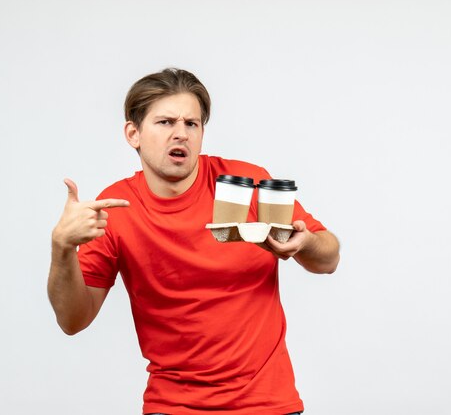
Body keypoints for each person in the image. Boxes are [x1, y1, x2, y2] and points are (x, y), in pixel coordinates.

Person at [47, 68, 340, 415]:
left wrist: (304, 244)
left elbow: (328, 258)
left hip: (269, 403)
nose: (181, 134)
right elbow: (72, 320)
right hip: (173, 406)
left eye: (192, 124)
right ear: (133, 133)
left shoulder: (246, 185)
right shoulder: (116, 207)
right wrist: (61, 247)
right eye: (165, 122)